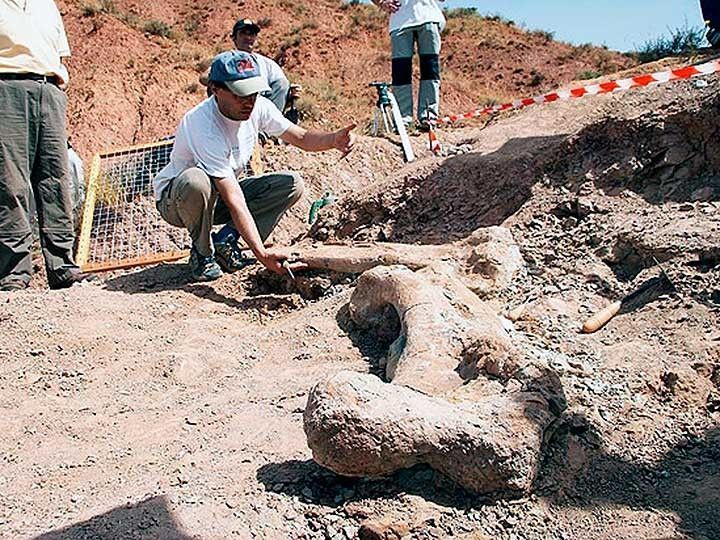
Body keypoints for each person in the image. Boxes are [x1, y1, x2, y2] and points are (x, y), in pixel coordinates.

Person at [153, 50, 355, 282]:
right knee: (196, 180)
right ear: (216, 90)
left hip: (217, 196)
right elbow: (233, 198)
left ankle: (226, 242)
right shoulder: (201, 124)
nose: (249, 101)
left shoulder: (258, 107)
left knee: (290, 185)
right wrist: (261, 253)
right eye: (240, 95)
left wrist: (333, 140)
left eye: (253, 93)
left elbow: (300, 137)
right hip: (177, 201)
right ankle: (202, 253)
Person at [0, 0, 95, 291]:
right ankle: (14, 272)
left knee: (56, 179)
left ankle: (62, 266)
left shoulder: (47, 5)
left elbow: (58, 55)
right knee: (10, 183)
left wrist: (54, 91)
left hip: (50, 91)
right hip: (6, 88)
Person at [371, 0, 446, 131]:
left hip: (429, 17)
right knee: (401, 73)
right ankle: (402, 120)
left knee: (430, 70)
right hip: (400, 22)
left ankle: (428, 117)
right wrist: (382, 2)